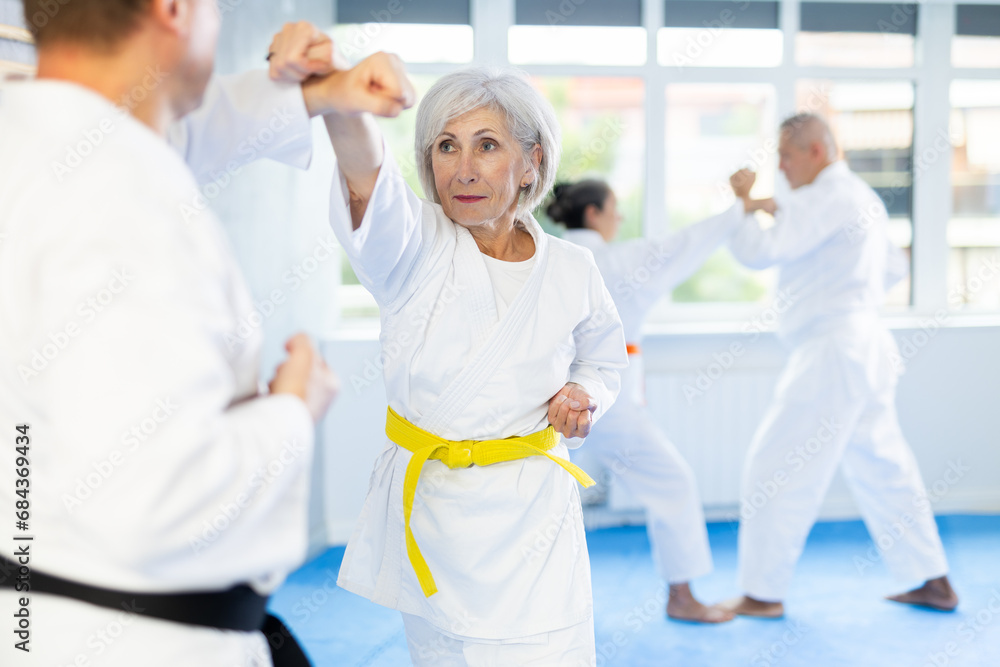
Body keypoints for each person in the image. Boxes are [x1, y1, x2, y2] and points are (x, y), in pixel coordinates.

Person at [0, 4, 407, 665]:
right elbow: (155, 496)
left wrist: (325, 94)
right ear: (174, 9)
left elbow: (175, 130)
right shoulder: (125, 190)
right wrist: (293, 411)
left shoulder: (29, 135)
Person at [319, 65, 627, 665]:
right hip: (439, 518)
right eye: (445, 147)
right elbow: (365, 183)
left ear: (531, 161)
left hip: (534, 517)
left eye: (487, 145)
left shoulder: (571, 268)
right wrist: (339, 104)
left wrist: (582, 394)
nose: (463, 169)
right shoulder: (413, 248)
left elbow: (603, 359)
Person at [722, 113, 958, 618]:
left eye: (787, 155)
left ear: (818, 152)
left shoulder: (825, 197)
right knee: (885, 467)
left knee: (777, 466)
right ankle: (933, 581)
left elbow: (761, 251)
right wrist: (780, 211)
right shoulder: (859, 198)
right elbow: (894, 267)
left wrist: (744, 203)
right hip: (863, 345)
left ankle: (762, 594)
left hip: (833, 353)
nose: (780, 167)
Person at [549, 179, 747, 623]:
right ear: (595, 214)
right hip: (602, 402)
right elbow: (685, 244)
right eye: (614, 208)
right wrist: (737, 210)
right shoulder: (617, 260)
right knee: (672, 483)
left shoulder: (548, 255)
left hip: (545, 401)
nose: (619, 218)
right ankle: (683, 595)